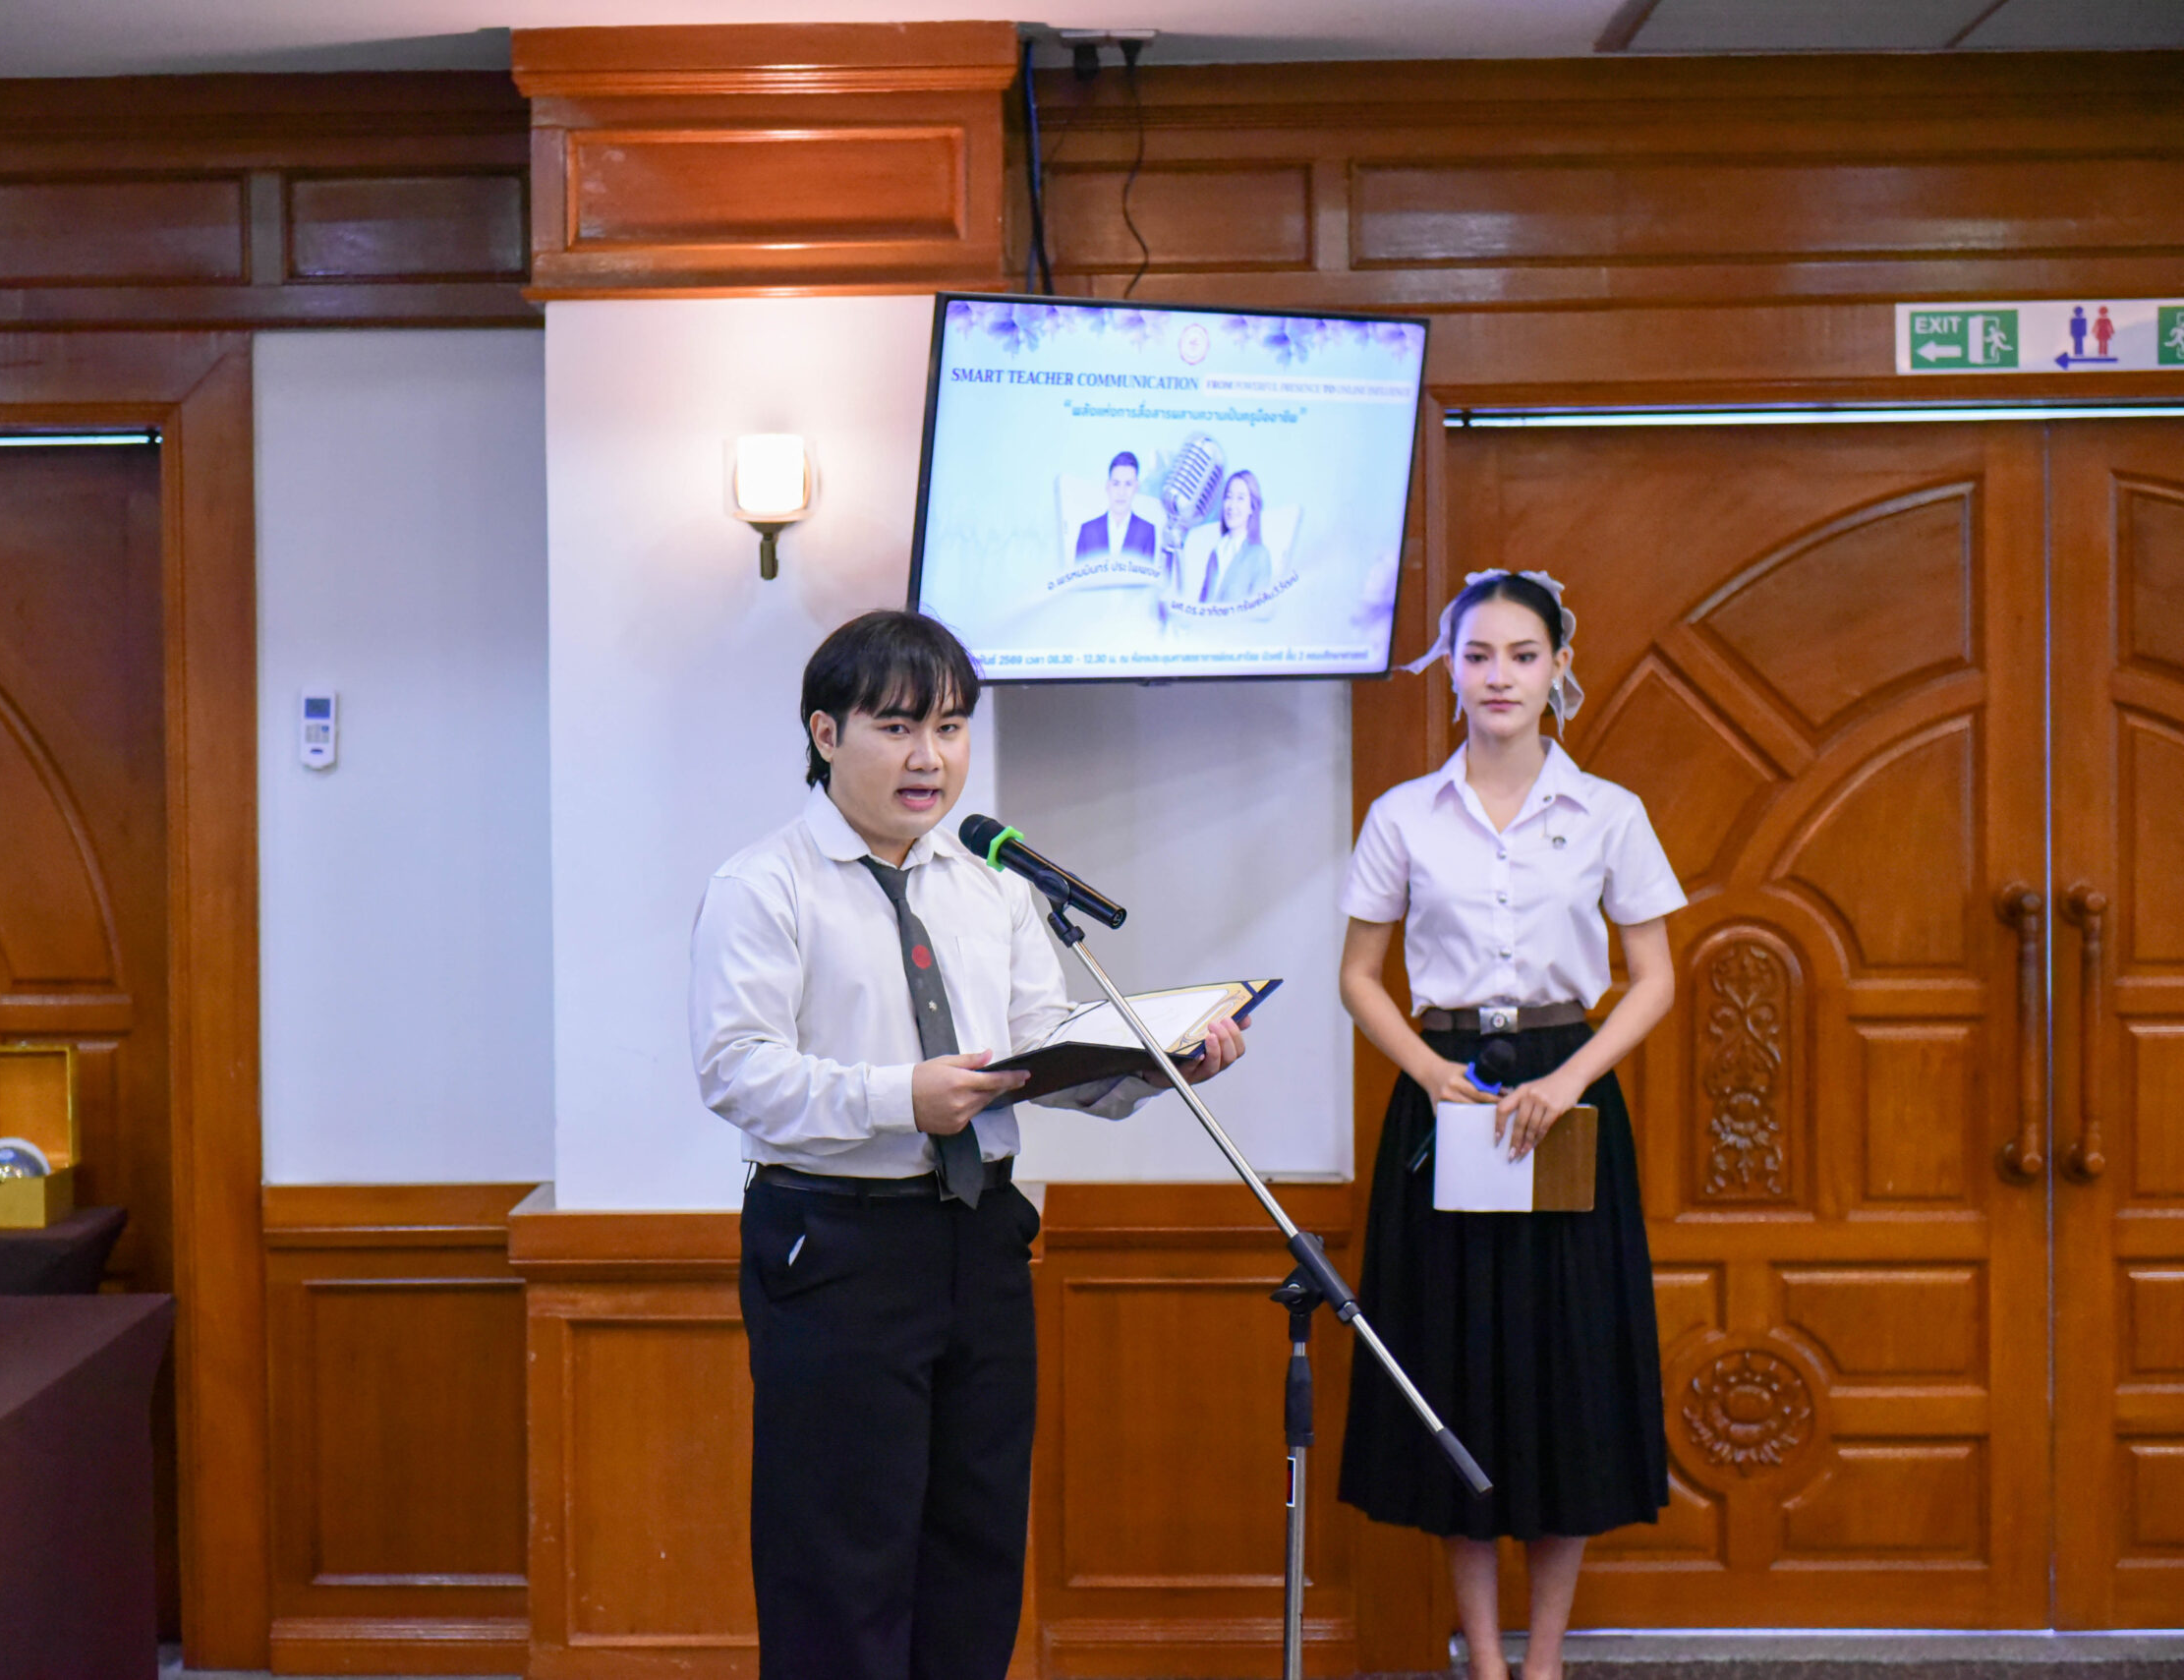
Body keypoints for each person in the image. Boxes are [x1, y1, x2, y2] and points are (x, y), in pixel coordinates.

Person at [690, 608, 1247, 1680]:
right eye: (898, 726)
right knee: (840, 1563)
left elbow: (1036, 1046)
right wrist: (901, 1096)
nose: (929, 757)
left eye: (950, 727)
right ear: (824, 732)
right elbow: (737, 1070)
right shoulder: (763, 885)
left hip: (983, 1237)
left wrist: (1155, 1065)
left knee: (976, 1548)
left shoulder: (994, 879)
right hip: (836, 1247)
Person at [1333, 571, 1683, 1680]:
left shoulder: (1609, 811)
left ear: (1557, 667)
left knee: (1566, 1368)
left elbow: (1654, 977)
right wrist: (1431, 1071)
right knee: (1458, 1367)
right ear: (1450, 669)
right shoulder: (1402, 814)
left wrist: (1570, 1078)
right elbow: (1358, 976)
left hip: (1566, 1090)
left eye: (1522, 656)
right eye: (1477, 654)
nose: (1499, 676)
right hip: (1448, 1095)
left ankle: (1545, 1662)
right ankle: (1482, 1659)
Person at [1196, 470, 1273, 605]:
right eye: (1229, 497)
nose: (1232, 505)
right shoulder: (1216, 553)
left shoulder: (1259, 556)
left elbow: (1258, 610)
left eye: (1240, 498)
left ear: (1252, 507)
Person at [1075, 450, 1156, 561]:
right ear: (1108, 486)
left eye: (1128, 484)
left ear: (1136, 487)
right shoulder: (1088, 530)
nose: (1121, 492)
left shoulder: (1146, 531)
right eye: (1116, 484)